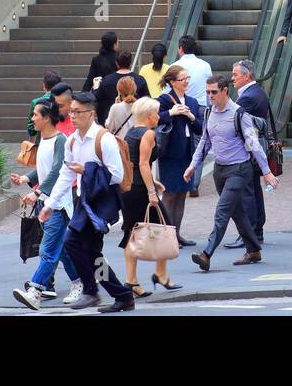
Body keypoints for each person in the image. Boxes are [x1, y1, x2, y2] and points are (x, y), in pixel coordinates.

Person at [41, 91, 137, 313]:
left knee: (73, 242)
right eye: (71, 111)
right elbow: (66, 174)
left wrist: (87, 170)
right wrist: (50, 204)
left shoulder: (104, 139)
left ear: (91, 114)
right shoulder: (72, 140)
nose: (72, 116)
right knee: (89, 251)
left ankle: (92, 291)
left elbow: (117, 175)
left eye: (77, 112)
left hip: (103, 203)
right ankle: (120, 295)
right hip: (84, 202)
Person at [185, 75, 279, 272]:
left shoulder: (239, 114)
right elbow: (204, 142)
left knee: (223, 211)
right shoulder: (209, 113)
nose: (210, 95)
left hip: (239, 169)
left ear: (225, 91)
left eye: (214, 92)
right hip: (219, 171)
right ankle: (253, 250)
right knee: (238, 213)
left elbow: (253, 144)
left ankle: (207, 253)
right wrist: (193, 165)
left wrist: (267, 172)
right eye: (207, 92)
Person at [10, 99, 81, 310]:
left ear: (47, 118)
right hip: (46, 204)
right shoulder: (44, 139)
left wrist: (37, 191)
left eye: (35, 115)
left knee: (48, 251)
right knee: (62, 251)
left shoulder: (61, 140)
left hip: (57, 206)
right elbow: (44, 169)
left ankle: (35, 291)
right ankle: (80, 283)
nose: (32, 119)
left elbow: (58, 170)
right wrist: (25, 179)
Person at [119, 97, 181, 296]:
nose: (158, 116)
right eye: (156, 113)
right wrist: (152, 191)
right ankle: (150, 277)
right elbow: (144, 164)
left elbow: (134, 163)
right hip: (140, 190)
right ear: (149, 115)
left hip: (129, 188)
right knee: (164, 227)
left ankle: (135, 280)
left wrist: (153, 182)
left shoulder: (131, 132)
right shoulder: (148, 134)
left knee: (132, 232)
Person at [156, 65, 201, 246]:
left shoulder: (192, 102)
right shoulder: (164, 100)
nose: (187, 82)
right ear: (173, 82)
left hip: (187, 153)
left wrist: (190, 116)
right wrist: (170, 113)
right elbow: (153, 117)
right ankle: (166, 236)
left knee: (182, 194)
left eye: (187, 78)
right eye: (183, 79)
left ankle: (177, 234)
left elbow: (200, 127)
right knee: (169, 194)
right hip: (170, 152)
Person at [231, 58, 274, 250]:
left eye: (235, 75)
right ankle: (257, 231)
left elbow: (235, 122)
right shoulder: (258, 92)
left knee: (247, 191)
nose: (233, 79)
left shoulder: (247, 97)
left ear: (246, 76)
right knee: (253, 189)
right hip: (256, 148)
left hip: (248, 149)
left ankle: (250, 233)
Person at [98, 51, 146, 127]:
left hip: (114, 125)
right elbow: (147, 100)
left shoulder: (107, 80)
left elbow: (99, 103)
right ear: (130, 62)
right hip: (136, 124)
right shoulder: (140, 79)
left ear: (116, 63)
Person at [174, 35, 213, 111]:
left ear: (181, 48)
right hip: (201, 106)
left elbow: (167, 90)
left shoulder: (174, 67)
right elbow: (211, 85)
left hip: (181, 108)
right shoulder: (205, 65)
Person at [28, 70, 62, 138]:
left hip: (41, 140)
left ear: (44, 85)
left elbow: (31, 130)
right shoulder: (63, 102)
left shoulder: (36, 102)